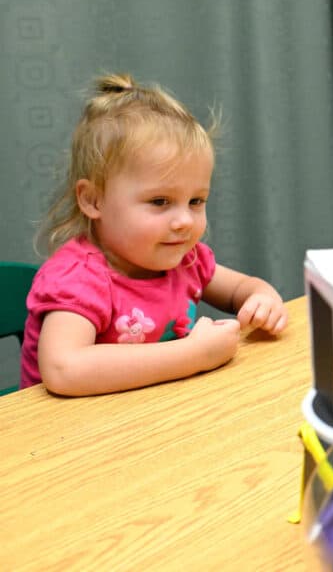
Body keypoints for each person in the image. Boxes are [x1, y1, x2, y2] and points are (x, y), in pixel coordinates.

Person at [20, 73, 288, 396]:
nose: (184, 221)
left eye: (196, 201)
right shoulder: (80, 279)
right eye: (160, 201)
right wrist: (193, 355)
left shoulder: (185, 261)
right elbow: (64, 370)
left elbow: (244, 289)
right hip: (70, 437)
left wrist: (263, 300)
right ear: (93, 200)